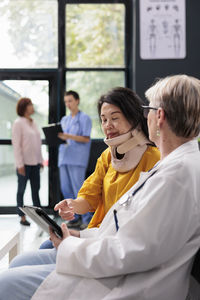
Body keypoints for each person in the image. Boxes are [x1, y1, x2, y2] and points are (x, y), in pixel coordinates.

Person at [1, 74, 199, 300]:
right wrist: (79, 236)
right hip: (105, 254)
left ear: (160, 115)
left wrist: (72, 245)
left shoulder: (173, 174)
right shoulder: (173, 167)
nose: (108, 126)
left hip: (119, 277)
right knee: (20, 264)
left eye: (148, 110)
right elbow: (124, 228)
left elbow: (130, 250)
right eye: (104, 119)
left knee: (6, 282)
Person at [39, 86, 160, 249]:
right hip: (98, 233)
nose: (108, 125)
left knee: (46, 247)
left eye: (114, 118)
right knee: (47, 244)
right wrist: (72, 205)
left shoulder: (153, 158)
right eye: (103, 120)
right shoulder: (107, 156)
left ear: (133, 118)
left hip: (119, 242)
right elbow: (89, 198)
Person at [57, 90, 93, 229]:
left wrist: (68, 136)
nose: (68, 104)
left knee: (79, 190)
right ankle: (74, 218)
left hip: (77, 158)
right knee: (66, 190)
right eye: (66, 102)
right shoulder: (64, 120)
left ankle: (86, 219)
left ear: (77, 101)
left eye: (70, 101)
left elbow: (85, 138)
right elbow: (62, 138)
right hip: (64, 157)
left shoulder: (84, 118)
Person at [12, 97, 43, 226]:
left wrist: (40, 160)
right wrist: (20, 164)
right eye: (30, 104)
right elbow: (16, 145)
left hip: (35, 163)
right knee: (21, 190)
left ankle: (41, 217)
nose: (32, 106)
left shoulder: (33, 122)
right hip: (23, 164)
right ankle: (22, 217)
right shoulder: (18, 123)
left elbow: (37, 143)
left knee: (36, 190)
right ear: (24, 107)